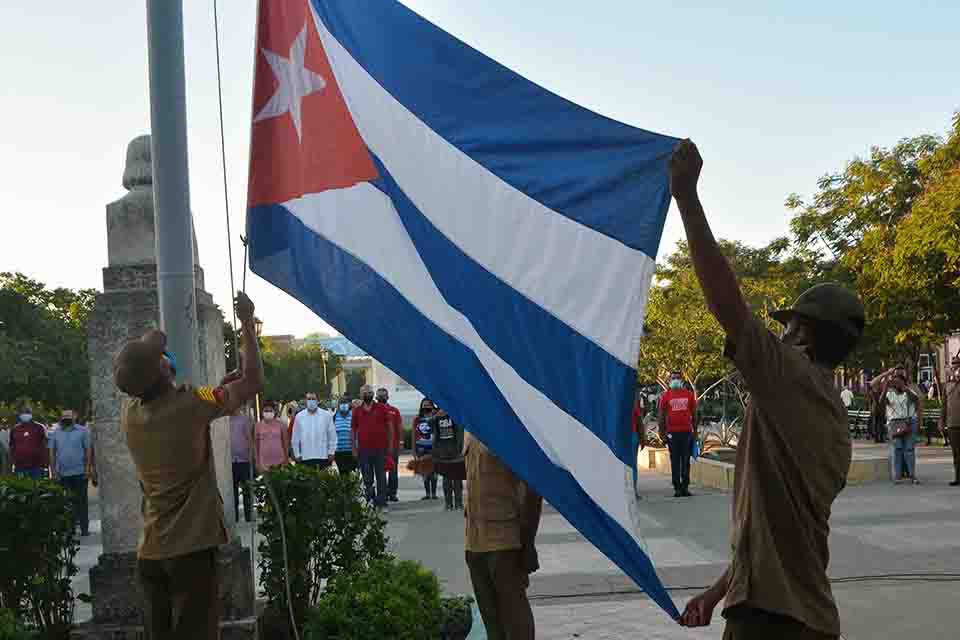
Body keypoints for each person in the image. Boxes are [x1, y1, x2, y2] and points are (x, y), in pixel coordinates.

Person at [671, 141, 864, 640]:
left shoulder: (794, 381)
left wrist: (686, 197)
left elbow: (728, 307)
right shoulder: (825, 415)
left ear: (801, 336)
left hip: (773, 625)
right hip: (796, 614)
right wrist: (716, 594)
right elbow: (771, 536)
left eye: (786, 329)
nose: (776, 338)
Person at [114, 292, 263, 640]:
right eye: (161, 357)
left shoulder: (131, 415)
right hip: (190, 551)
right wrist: (247, 325)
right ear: (164, 371)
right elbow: (253, 383)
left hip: (151, 552)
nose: (166, 356)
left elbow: (195, 403)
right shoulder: (190, 404)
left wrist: (217, 392)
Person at [464, 431, 542, 640]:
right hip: (474, 543)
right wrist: (436, 465)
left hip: (504, 543)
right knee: (492, 622)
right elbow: (468, 468)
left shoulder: (507, 423)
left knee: (515, 618)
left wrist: (528, 544)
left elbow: (533, 486)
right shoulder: (470, 427)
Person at [48, 409, 95, 536]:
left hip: (80, 472)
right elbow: (52, 453)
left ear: (75, 416)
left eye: (68, 416)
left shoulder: (83, 431)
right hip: (63, 473)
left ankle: (85, 529)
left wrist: (88, 469)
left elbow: (88, 450)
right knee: (67, 503)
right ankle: (70, 529)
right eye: (64, 416)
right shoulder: (55, 433)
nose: (66, 418)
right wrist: (53, 472)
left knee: (82, 502)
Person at [876, 366, 921, 484]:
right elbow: (881, 403)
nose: (897, 382)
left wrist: (904, 388)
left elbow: (916, 400)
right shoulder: (890, 393)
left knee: (909, 449)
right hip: (894, 424)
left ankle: (912, 475)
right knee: (897, 449)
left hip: (908, 422)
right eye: (895, 379)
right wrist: (885, 386)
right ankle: (897, 476)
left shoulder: (909, 391)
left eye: (900, 379)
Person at [351, 384, 393, 508]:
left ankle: (382, 502)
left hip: (380, 449)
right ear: (360, 395)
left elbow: (390, 427)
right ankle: (370, 500)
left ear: (373, 394)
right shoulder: (357, 411)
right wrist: (353, 448)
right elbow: (353, 430)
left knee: (381, 477)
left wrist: (390, 445)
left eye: (369, 392)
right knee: (367, 477)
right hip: (364, 450)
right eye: (365, 392)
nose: (367, 394)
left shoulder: (381, 408)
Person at [658, 372, 698, 498]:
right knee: (675, 460)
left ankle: (685, 487)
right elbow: (661, 415)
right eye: (673, 378)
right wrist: (662, 433)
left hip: (686, 432)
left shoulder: (689, 395)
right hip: (672, 433)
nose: (675, 380)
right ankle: (677, 488)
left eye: (677, 378)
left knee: (686, 460)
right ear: (669, 380)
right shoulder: (666, 396)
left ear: (682, 380)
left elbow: (695, 414)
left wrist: (695, 432)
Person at [292, 392, 337, 470]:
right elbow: (295, 437)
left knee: (323, 481)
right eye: (309, 399)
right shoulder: (299, 416)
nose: (311, 401)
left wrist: (331, 452)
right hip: (305, 456)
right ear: (305, 401)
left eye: (313, 399)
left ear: (318, 401)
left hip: (323, 456)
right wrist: (297, 454)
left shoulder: (326, 415)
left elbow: (332, 436)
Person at [431, 407, 465, 510]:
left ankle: (459, 502)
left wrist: (461, 448)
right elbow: (428, 424)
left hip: (455, 449)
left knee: (457, 478)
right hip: (442, 450)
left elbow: (461, 429)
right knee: (446, 478)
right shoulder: (437, 414)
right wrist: (436, 416)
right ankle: (448, 503)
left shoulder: (456, 412)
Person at [376, 387, 403, 502]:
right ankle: (382, 494)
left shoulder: (394, 411)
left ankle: (392, 493)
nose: (382, 397)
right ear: (376, 397)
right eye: (379, 395)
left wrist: (401, 442)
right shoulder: (373, 410)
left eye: (384, 395)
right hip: (377, 447)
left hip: (393, 447)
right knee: (379, 471)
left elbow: (399, 428)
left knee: (393, 471)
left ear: (388, 397)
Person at [229, 405, 256, 523]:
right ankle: (234, 517)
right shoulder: (225, 420)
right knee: (233, 491)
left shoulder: (244, 420)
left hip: (244, 460)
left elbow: (249, 438)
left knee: (246, 489)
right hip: (230, 462)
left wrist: (251, 456)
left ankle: (248, 516)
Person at [9, 406, 48, 480]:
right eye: (23, 412)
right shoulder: (14, 429)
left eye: (27, 412)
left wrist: (46, 464)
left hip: (36, 466)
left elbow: (45, 446)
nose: (25, 414)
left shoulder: (39, 427)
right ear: (20, 415)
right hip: (20, 466)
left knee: (37, 489)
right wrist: (11, 465)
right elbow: (12, 447)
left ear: (31, 414)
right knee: (21, 489)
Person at [413, 398, 438, 500]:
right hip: (421, 448)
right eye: (424, 405)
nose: (426, 407)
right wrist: (413, 450)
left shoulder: (436, 417)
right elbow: (414, 435)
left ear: (432, 406)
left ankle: (434, 493)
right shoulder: (417, 419)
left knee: (434, 471)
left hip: (434, 448)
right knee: (425, 472)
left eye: (428, 405)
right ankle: (427, 494)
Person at [255, 401, 289, 473]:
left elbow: (285, 443)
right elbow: (256, 445)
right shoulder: (258, 426)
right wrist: (257, 462)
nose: (268, 413)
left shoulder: (281, 425)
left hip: (279, 460)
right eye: (266, 411)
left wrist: (286, 459)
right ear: (262, 412)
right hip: (264, 462)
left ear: (274, 412)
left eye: (270, 411)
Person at [942, 354, 960, 486]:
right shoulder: (947, 385)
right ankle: (958, 477)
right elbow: (944, 405)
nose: (955, 366)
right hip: (953, 423)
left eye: (957, 364)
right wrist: (941, 421)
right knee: (956, 454)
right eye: (954, 364)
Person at [333, 397, 358, 474]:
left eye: (345, 403)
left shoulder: (354, 415)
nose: (343, 405)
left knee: (353, 475)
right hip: (339, 452)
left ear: (349, 404)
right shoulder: (334, 417)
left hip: (352, 451)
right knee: (343, 474)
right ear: (338, 405)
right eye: (341, 403)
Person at [631, 389, 646, 496]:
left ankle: (633, 490)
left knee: (632, 464)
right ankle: (633, 490)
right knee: (632, 464)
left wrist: (642, 438)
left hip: (631, 436)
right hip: (631, 436)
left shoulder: (633, 407)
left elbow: (639, 422)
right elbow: (639, 422)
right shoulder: (633, 406)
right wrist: (642, 438)